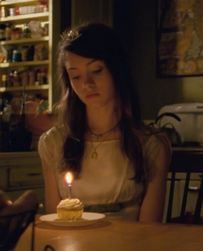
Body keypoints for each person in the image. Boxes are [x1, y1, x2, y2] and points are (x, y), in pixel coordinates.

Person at [38, 22, 171, 223]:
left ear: (116, 69)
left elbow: (149, 230)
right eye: (76, 76)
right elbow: (54, 223)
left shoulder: (151, 145)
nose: (86, 84)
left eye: (97, 70)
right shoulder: (53, 143)